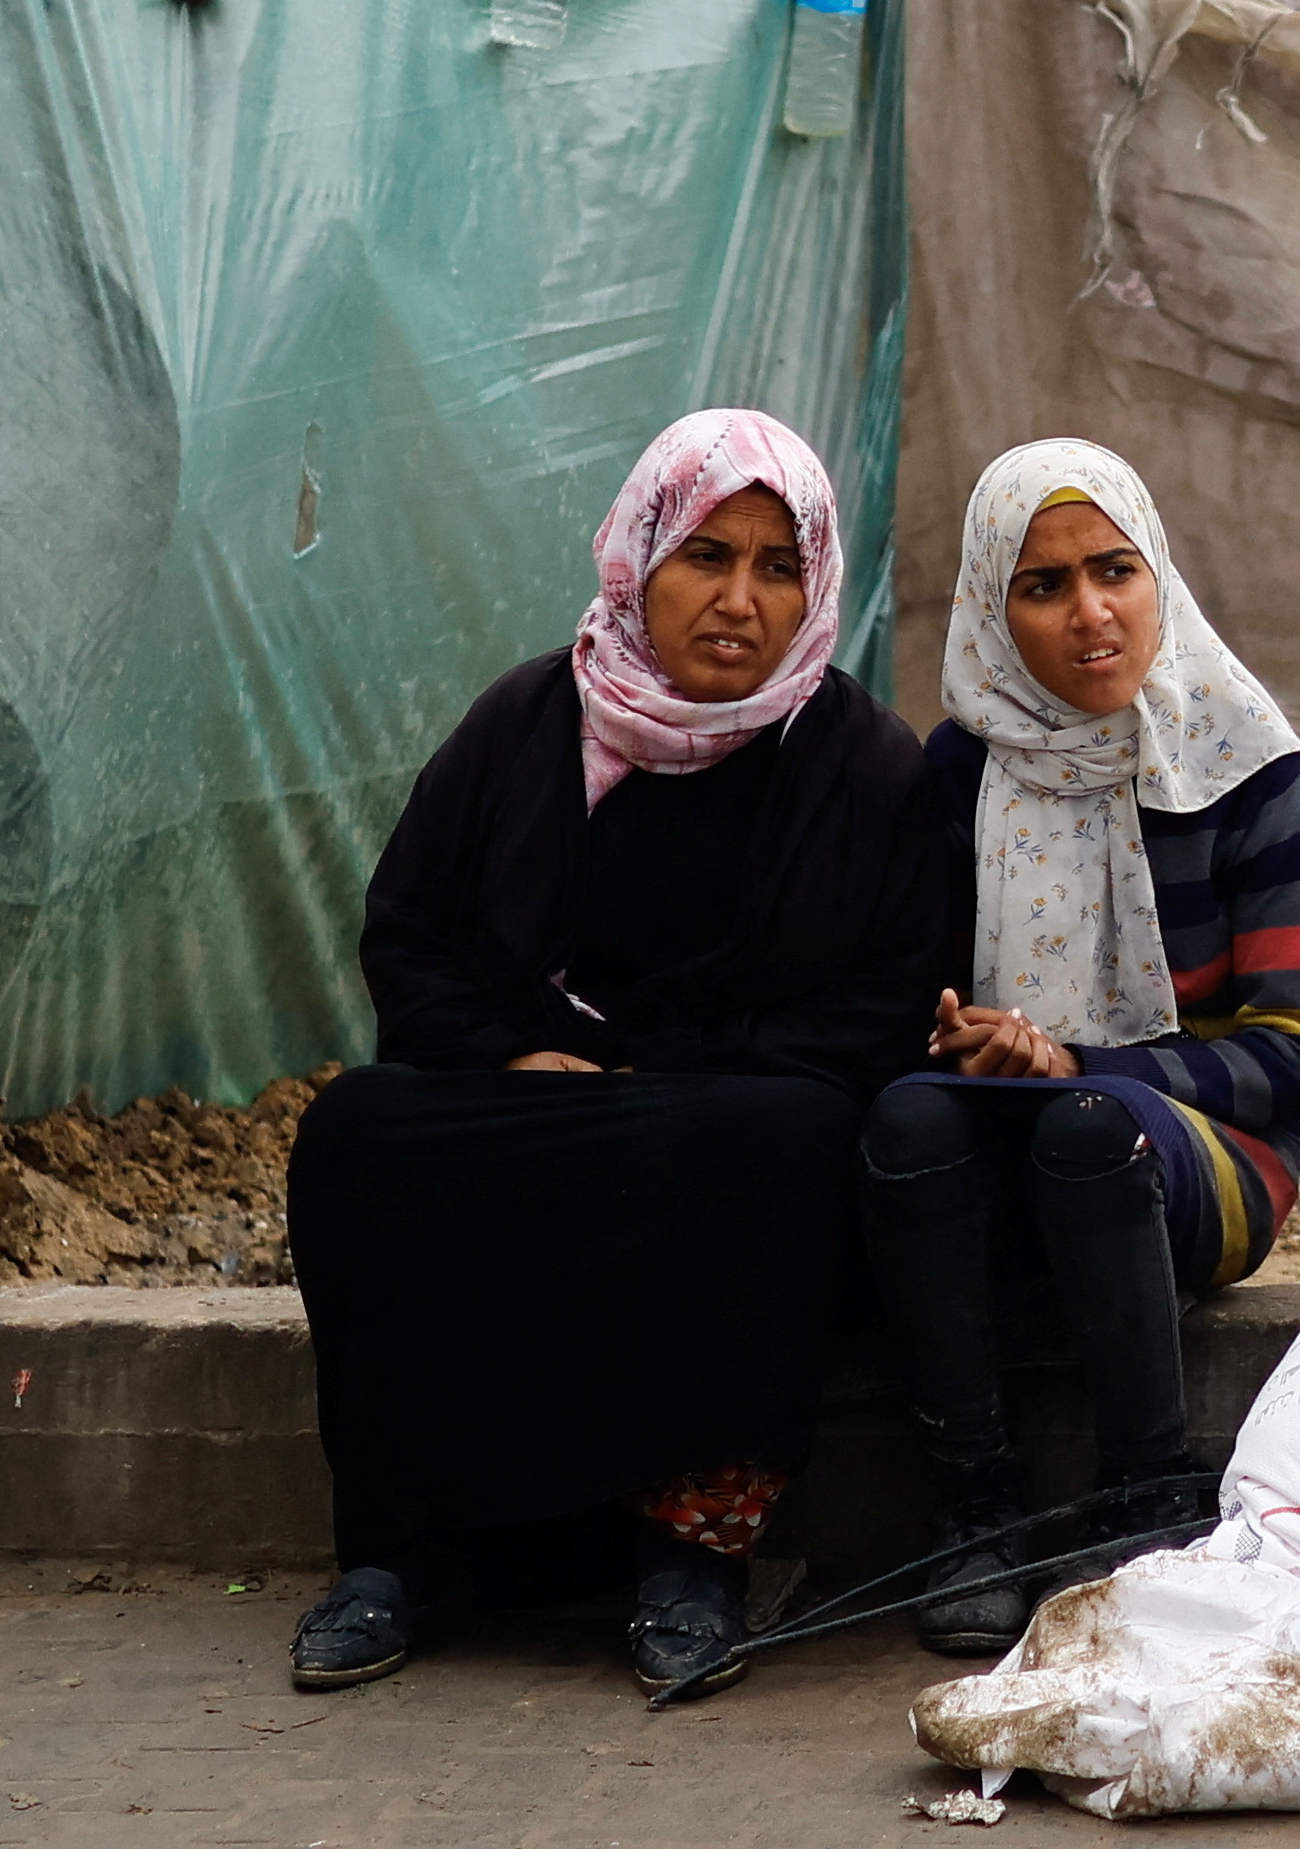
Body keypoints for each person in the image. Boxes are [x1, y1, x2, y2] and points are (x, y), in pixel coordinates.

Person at [283, 410, 948, 1700]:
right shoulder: (528, 720)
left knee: (787, 1146)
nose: (739, 601)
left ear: (816, 586)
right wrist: (519, 1058)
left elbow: (880, 1003)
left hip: (723, 1121)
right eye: (706, 556)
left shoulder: (867, 767)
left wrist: (675, 1078)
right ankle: (400, 1558)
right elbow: (409, 933)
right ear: (639, 556)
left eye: (777, 566)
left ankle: (687, 1562)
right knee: (356, 1132)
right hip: (529, 1097)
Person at [861, 439, 1300, 1654]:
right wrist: (963, 1035)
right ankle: (976, 1507)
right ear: (990, 606)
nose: (1089, 616)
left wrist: (1085, 1064)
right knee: (910, 1119)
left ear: (1157, 575)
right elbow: (905, 1002)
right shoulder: (962, 767)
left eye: (1115, 573)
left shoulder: (1249, 770)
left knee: (1087, 1125)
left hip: (1203, 1157)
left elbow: (1292, 1060)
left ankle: (1148, 1490)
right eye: (1043, 587)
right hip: (1006, 1138)